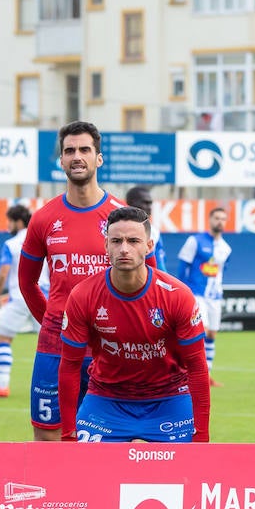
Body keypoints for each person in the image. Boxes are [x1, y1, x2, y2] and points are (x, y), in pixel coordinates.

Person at [17, 121, 130, 440]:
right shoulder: (44, 218)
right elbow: (27, 283)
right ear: (61, 161)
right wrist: (53, 322)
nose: (77, 156)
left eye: (84, 150)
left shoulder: (122, 218)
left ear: (99, 158)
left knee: (108, 439)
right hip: (56, 347)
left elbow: (144, 284)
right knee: (47, 437)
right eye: (69, 151)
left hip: (110, 347)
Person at [59, 206, 210, 443]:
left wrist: (201, 435)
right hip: (106, 400)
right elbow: (69, 366)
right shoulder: (83, 295)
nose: (124, 249)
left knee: (181, 477)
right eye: (116, 241)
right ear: (106, 246)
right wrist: (68, 434)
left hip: (169, 399)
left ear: (149, 246)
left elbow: (198, 368)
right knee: (84, 474)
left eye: (133, 241)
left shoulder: (177, 295)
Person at [0, 203, 44, 398]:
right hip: (44, 296)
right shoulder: (41, 238)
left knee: (5, 339)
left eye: (9, 221)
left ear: (18, 221)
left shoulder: (11, 244)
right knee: (53, 344)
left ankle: (1, 385)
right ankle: (57, 385)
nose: (7, 225)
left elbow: (4, 273)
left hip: (19, 298)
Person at [176, 206, 232, 386]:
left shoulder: (226, 248)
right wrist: (182, 291)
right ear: (210, 220)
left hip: (214, 297)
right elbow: (182, 266)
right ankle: (191, 373)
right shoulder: (195, 241)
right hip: (196, 293)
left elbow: (221, 272)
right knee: (202, 330)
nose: (220, 221)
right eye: (217, 218)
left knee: (212, 334)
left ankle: (206, 374)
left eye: (223, 218)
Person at [124, 186, 167, 270]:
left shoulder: (154, 232)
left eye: (150, 203)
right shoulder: (114, 228)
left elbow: (160, 268)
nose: (149, 207)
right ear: (131, 203)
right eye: (145, 203)